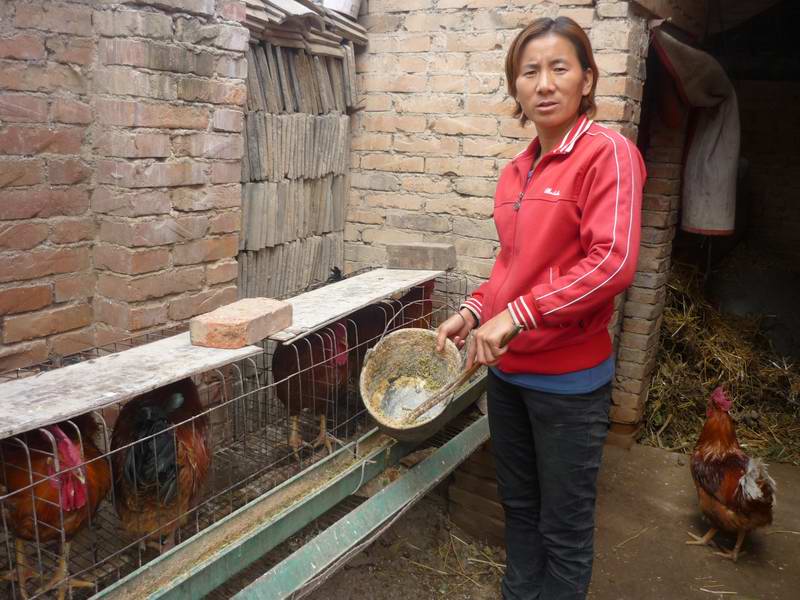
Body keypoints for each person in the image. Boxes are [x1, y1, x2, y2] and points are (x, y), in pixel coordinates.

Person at [436, 16, 646, 600]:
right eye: (530, 72)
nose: (544, 83)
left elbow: (613, 263)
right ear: (516, 87)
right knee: (520, 506)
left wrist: (518, 315)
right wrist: (473, 311)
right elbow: (512, 268)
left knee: (564, 526)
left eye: (559, 68)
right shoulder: (516, 171)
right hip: (508, 377)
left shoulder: (608, 154)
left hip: (569, 386)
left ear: (587, 79)